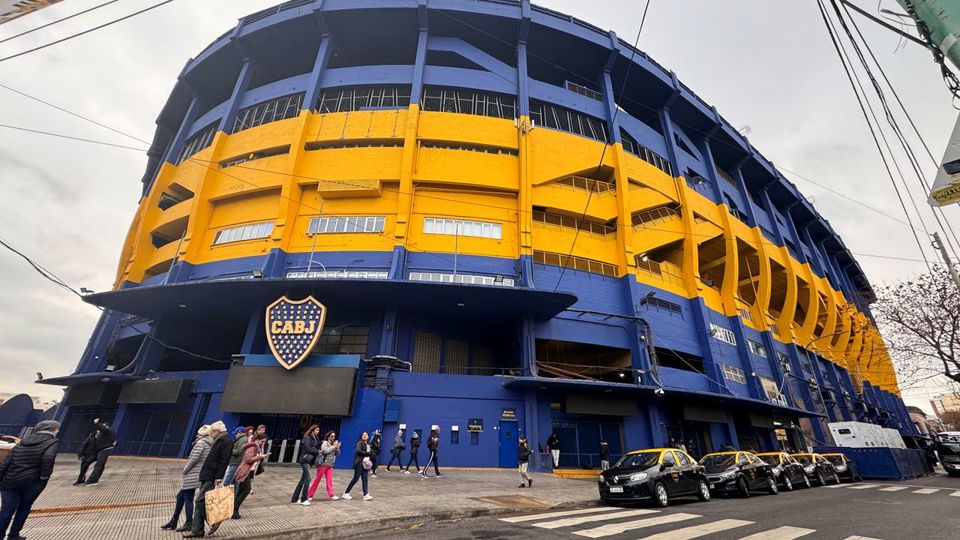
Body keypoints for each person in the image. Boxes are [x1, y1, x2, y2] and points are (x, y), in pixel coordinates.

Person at [0, 420, 59, 540]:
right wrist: (44, 476)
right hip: (32, 483)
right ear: (52, 430)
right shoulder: (51, 442)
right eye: (57, 429)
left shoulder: (23, 441)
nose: (58, 431)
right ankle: (13, 535)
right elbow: (48, 458)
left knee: (6, 509)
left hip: (10, 480)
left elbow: (7, 461)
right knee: (23, 508)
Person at [184, 420, 231, 538]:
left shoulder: (225, 441)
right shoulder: (219, 440)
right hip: (208, 474)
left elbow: (224, 460)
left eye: (212, 432)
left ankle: (213, 521)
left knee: (200, 500)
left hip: (212, 475)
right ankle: (198, 529)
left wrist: (219, 476)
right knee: (202, 501)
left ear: (217, 431)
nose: (211, 434)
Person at [162, 425, 212, 532]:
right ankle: (174, 520)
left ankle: (188, 522)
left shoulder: (201, 443)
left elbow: (193, 459)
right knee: (180, 497)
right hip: (198, 474)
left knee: (188, 498)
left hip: (193, 475)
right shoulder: (210, 443)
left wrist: (185, 470)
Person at [232, 433, 267, 519]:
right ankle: (234, 510)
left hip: (248, 472)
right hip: (245, 471)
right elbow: (248, 459)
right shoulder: (252, 447)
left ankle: (233, 510)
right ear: (257, 440)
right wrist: (260, 457)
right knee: (246, 490)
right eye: (262, 441)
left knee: (240, 491)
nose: (263, 443)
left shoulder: (257, 448)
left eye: (264, 442)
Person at [82, 417, 115, 485]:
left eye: (103, 426)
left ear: (107, 427)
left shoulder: (108, 431)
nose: (100, 429)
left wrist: (97, 423)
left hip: (105, 450)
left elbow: (102, 429)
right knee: (100, 465)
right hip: (103, 450)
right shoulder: (105, 433)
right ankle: (94, 480)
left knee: (98, 465)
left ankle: (91, 480)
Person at [308, 431, 340, 501]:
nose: (333, 437)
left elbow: (337, 454)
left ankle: (331, 495)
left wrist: (337, 448)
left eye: (334, 436)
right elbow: (324, 451)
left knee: (329, 481)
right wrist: (333, 447)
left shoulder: (333, 444)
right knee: (317, 480)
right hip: (323, 464)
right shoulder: (325, 443)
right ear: (328, 436)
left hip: (330, 465)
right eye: (332, 436)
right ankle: (309, 495)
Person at [342, 432, 375, 501]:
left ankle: (365, 494)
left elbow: (371, 453)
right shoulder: (360, 443)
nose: (365, 436)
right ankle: (346, 493)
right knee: (355, 478)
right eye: (363, 435)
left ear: (368, 436)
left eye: (366, 435)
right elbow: (358, 451)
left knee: (365, 479)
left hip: (365, 464)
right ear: (361, 436)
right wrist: (368, 453)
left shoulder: (369, 444)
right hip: (359, 463)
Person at [292, 425, 320, 505]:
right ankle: (304, 499)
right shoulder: (308, 439)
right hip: (304, 461)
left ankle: (294, 499)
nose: (318, 431)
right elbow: (308, 449)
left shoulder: (316, 439)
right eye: (317, 430)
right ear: (312, 430)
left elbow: (317, 447)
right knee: (308, 479)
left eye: (318, 430)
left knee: (302, 480)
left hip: (310, 461)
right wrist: (317, 451)